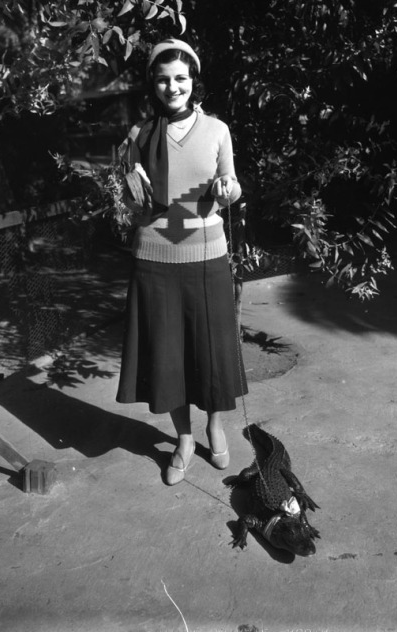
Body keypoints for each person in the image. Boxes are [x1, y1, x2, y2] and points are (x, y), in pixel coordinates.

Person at [115, 39, 247, 486]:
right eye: (163, 79)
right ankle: (185, 438)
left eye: (181, 78)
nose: (173, 86)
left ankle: (214, 426)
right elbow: (136, 202)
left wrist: (227, 189)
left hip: (207, 255)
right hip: (154, 256)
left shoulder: (217, 130)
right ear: (153, 84)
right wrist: (129, 188)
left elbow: (230, 183)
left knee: (210, 352)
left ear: (194, 82)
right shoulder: (137, 137)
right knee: (166, 356)